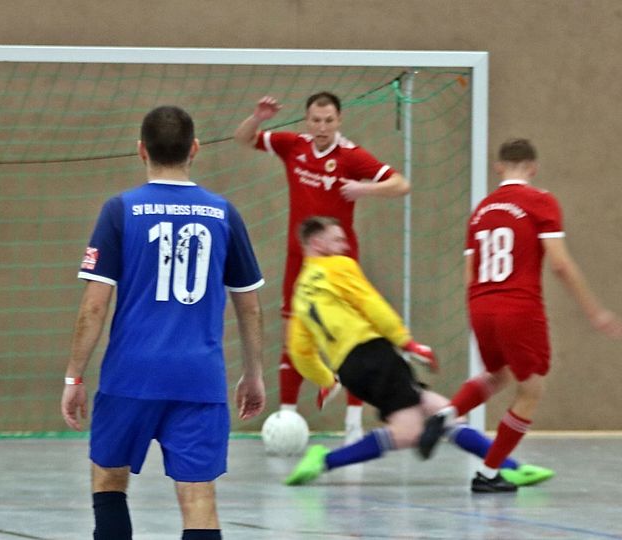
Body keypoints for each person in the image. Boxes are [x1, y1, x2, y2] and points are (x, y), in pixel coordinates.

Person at [61, 105, 266, 540]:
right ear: (195, 149)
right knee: (198, 499)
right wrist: (253, 374)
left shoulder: (120, 210)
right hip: (199, 378)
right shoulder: (223, 213)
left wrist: (74, 376)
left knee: (109, 479)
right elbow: (249, 306)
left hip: (130, 376)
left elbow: (94, 307)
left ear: (141, 150)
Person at [418, 138, 622, 493]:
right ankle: (488, 473)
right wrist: (594, 311)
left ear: (498, 167)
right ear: (533, 168)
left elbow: (469, 274)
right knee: (531, 389)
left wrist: (481, 310)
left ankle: (446, 414)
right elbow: (560, 264)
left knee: (497, 374)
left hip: (480, 304)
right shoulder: (540, 201)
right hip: (518, 305)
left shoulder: (480, 211)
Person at [282, 216, 553, 488]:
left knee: (443, 412)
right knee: (409, 431)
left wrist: (326, 379)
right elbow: (371, 304)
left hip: (349, 370)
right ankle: (325, 460)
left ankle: (508, 467)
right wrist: (406, 342)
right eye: (337, 240)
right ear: (317, 243)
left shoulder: (300, 291)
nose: (345, 246)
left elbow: (299, 350)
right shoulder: (339, 266)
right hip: (373, 355)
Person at [234, 93, 409, 443]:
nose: (322, 127)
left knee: (351, 340)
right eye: (316, 120)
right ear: (307, 120)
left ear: (339, 121)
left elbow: (401, 184)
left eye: (329, 121)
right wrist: (258, 117)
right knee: (294, 337)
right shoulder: (293, 146)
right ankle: (287, 416)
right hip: (299, 261)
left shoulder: (351, 156)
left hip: (339, 266)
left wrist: (365, 189)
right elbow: (244, 138)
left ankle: (353, 423)